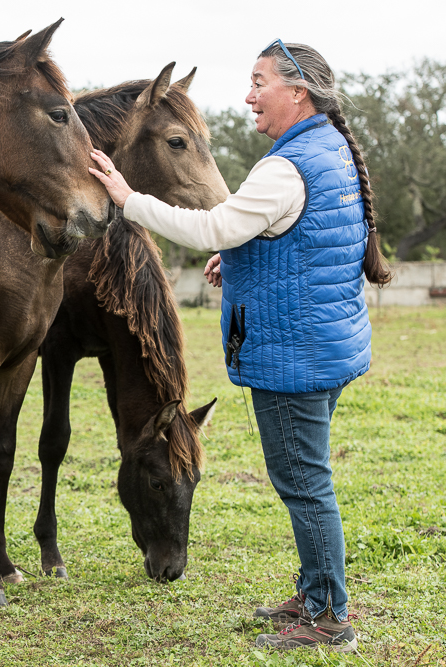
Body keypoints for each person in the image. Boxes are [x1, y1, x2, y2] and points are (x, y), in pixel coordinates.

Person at [89, 40, 393, 652]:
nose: (248, 95)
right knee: (309, 479)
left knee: (304, 483)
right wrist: (242, 263)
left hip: (292, 356)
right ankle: (314, 594)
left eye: (260, 82)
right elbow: (306, 239)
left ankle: (328, 617)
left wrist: (128, 200)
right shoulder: (329, 151)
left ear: (298, 92)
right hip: (326, 345)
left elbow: (214, 225)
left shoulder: (285, 168)